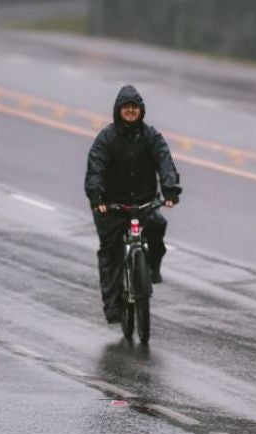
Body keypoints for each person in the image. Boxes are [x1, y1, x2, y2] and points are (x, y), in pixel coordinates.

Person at [85, 85, 182, 324]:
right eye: (126, 108)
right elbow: (95, 169)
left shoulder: (151, 136)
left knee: (158, 226)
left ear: (141, 111)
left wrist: (170, 190)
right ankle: (113, 307)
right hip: (112, 206)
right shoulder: (106, 138)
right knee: (111, 253)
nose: (130, 111)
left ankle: (150, 270)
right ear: (118, 111)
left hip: (143, 203)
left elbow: (165, 162)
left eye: (134, 108)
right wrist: (97, 199)